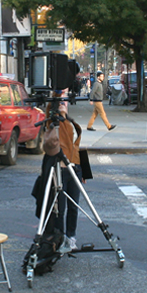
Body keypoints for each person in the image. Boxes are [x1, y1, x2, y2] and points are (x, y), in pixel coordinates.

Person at [48, 99, 83, 253]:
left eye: (65, 102)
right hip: (60, 169)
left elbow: (77, 146)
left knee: (74, 206)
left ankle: (71, 237)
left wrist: (84, 172)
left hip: (75, 168)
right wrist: (56, 95)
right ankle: (59, 238)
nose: (63, 104)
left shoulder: (70, 121)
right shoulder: (53, 122)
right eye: (60, 102)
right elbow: (51, 106)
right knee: (60, 209)